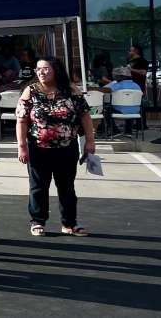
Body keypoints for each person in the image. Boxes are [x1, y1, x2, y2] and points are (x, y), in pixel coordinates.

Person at [17, 57, 94, 238]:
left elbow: (85, 116)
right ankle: (37, 221)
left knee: (67, 187)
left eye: (45, 68)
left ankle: (69, 223)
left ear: (56, 70)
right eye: (38, 69)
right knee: (38, 187)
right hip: (38, 148)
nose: (41, 72)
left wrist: (90, 140)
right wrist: (21, 146)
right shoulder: (31, 91)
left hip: (66, 148)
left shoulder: (70, 89)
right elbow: (21, 120)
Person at [107, 66, 143, 136]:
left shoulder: (115, 86)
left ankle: (114, 130)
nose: (115, 78)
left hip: (119, 111)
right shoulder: (137, 86)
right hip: (135, 111)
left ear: (121, 77)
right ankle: (128, 131)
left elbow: (107, 92)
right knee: (130, 104)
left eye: (116, 76)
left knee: (106, 109)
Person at [127, 44, 150, 128]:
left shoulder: (142, 61)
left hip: (138, 85)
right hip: (129, 85)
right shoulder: (129, 60)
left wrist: (131, 70)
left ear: (136, 51)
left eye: (131, 50)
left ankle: (142, 124)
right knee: (130, 104)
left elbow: (143, 72)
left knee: (139, 104)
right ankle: (133, 123)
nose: (129, 52)